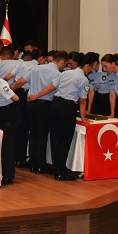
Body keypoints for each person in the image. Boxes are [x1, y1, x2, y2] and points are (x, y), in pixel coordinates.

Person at [48, 52, 92, 181]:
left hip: (55, 105)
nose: (90, 71)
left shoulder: (65, 73)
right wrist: (83, 118)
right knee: (64, 140)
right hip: (67, 107)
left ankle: (57, 169)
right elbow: (82, 101)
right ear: (86, 66)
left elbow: (53, 87)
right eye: (90, 68)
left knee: (55, 138)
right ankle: (61, 172)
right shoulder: (83, 79)